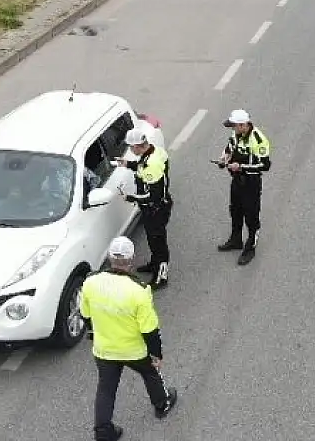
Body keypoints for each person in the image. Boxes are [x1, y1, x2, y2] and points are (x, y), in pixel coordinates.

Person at [80, 236, 179, 441]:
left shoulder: (90, 282)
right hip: (135, 350)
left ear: (109, 257)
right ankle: (162, 403)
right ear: (131, 259)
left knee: (106, 389)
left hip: (104, 349)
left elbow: (86, 315)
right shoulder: (140, 291)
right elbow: (150, 330)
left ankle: (103, 431)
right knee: (151, 374)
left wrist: (94, 334)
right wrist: (156, 354)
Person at [112, 127, 173, 288]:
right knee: (153, 240)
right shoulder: (153, 152)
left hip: (156, 208)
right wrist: (127, 164)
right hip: (152, 208)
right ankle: (154, 264)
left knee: (159, 243)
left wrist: (130, 197)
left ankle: (162, 275)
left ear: (138, 145)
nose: (131, 150)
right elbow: (141, 166)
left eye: (132, 148)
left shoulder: (151, 165)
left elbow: (153, 196)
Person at [216, 109, 271, 266]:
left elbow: (264, 165)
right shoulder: (236, 134)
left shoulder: (258, 140)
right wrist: (224, 157)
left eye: (234, 126)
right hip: (237, 180)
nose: (232, 129)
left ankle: (250, 247)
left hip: (251, 183)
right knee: (235, 211)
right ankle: (236, 239)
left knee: (251, 216)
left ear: (242, 125)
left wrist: (241, 167)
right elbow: (229, 147)